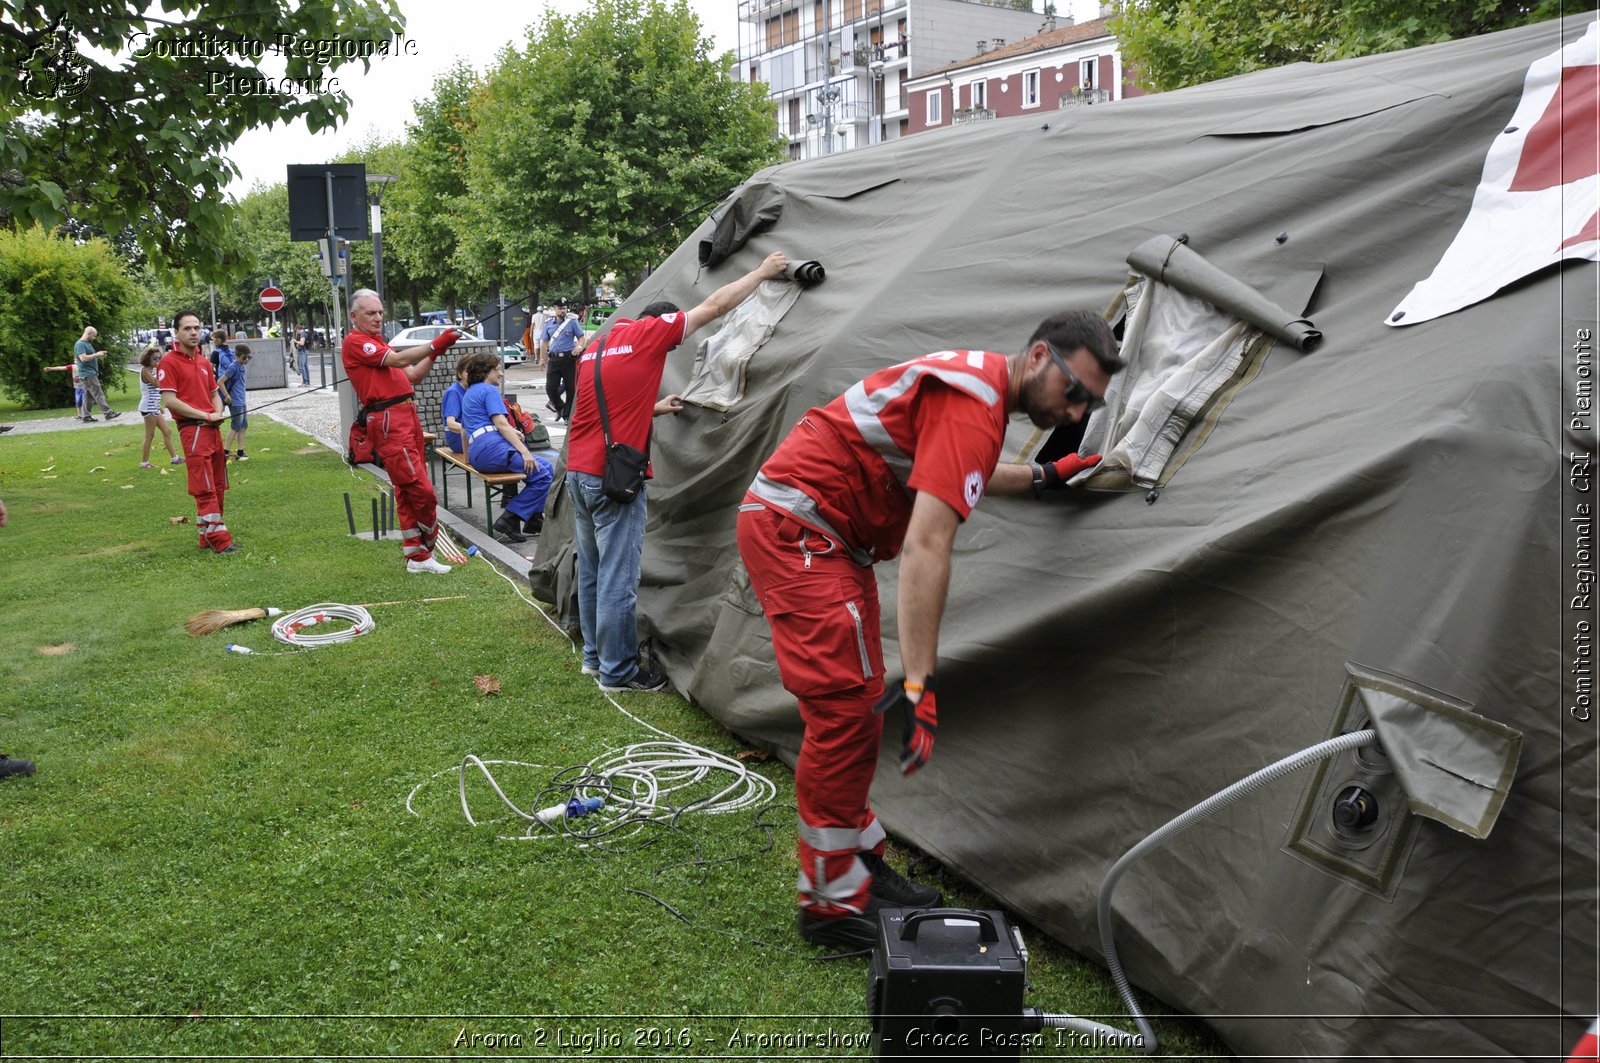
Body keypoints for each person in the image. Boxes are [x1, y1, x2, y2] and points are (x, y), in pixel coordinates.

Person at [736, 310, 1125, 949]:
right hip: (801, 532)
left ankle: (854, 866)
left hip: (827, 536)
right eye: (1074, 391)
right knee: (843, 711)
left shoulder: (977, 392)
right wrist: (920, 679)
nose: (1078, 411)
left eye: (1091, 402)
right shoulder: (974, 403)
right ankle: (830, 905)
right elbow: (926, 546)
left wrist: (1044, 475)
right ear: (1035, 358)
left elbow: (956, 472)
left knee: (854, 705)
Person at [566, 250, 789, 692]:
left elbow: (602, 412)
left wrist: (654, 409)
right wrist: (763, 272)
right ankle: (619, 672)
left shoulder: (596, 347)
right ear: (661, 324)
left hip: (579, 472)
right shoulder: (655, 331)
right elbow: (717, 305)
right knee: (618, 578)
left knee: (591, 569)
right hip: (614, 482)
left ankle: (595, 659)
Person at [342, 287, 462, 574]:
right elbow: (398, 362)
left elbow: (413, 375)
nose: (378, 317)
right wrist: (435, 344)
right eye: (371, 312)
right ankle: (428, 545)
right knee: (421, 489)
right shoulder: (358, 342)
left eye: (380, 312)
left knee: (407, 491)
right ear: (353, 315)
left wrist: (436, 352)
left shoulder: (378, 344)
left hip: (405, 415)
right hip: (388, 421)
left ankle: (417, 558)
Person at [159, 311, 236, 553]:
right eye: (187, 328)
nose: (193, 332)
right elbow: (170, 401)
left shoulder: (203, 361)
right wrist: (205, 415)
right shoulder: (169, 362)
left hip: (212, 429)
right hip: (193, 431)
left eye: (197, 327)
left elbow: (215, 393)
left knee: (219, 484)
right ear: (177, 333)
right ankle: (220, 540)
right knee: (204, 486)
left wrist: (218, 412)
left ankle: (207, 537)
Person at [461, 354, 554, 543]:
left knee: (548, 468)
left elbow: (464, 430)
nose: (501, 373)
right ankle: (510, 519)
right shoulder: (489, 391)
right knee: (542, 474)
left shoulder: (470, 392)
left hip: (479, 451)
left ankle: (534, 519)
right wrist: (525, 452)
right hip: (492, 449)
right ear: (487, 371)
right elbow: (501, 425)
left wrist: (467, 457)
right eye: (498, 369)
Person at [136, 345, 182, 469]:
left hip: (154, 405)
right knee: (149, 435)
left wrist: (158, 405)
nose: (157, 360)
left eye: (159, 358)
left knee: (167, 431)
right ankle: (144, 463)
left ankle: (175, 458)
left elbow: (155, 391)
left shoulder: (154, 370)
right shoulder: (145, 370)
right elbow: (157, 384)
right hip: (148, 407)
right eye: (155, 358)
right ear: (148, 358)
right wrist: (162, 369)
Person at [539, 299, 585, 421]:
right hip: (553, 359)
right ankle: (560, 407)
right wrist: (542, 359)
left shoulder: (572, 322)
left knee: (571, 389)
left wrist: (579, 347)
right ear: (554, 308)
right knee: (550, 388)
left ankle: (567, 415)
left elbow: (581, 337)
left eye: (564, 308)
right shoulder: (548, 323)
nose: (563, 310)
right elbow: (544, 342)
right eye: (560, 308)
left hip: (569, 359)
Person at [74, 326, 120, 421]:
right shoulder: (80, 344)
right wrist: (96, 354)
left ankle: (85, 416)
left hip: (89, 373)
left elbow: (89, 357)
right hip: (87, 374)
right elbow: (83, 358)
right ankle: (108, 413)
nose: (94, 338)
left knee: (89, 396)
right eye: (93, 336)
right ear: (88, 333)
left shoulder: (86, 343)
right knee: (98, 393)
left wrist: (98, 355)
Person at [219, 343, 251, 461]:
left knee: (243, 426)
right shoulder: (233, 367)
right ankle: (225, 452)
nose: (247, 360)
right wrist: (227, 395)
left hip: (242, 401)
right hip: (235, 401)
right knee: (236, 427)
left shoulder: (242, 366)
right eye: (244, 357)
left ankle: (240, 452)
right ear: (237, 356)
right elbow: (220, 381)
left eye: (248, 357)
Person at [440, 352, 473, 454]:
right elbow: (451, 424)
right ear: (459, 374)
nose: (472, 375)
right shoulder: (454, 392)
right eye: (468, 372)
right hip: (459, 439)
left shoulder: (473, 390)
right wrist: (474, 430)